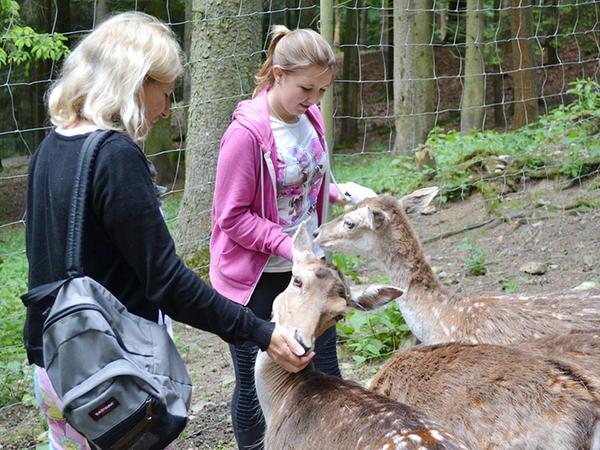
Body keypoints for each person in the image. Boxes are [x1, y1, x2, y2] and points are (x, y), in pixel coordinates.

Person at [23, 12, 311, 450]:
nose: (166, 109)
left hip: (57, 362)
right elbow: (168, 283)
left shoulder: (52, 147)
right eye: (166, 92)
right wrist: (260, 331)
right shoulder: (115, 155)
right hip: (112, 371)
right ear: (135, 82)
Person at [210, 25, 347, 450]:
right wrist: (291, 247)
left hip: (308, 272)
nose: (314, 100)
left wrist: (342, 195)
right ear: (278, 73)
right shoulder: (246, 136)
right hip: (257, 278)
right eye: (307, 88)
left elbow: (309, 180)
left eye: (323, 90)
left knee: (323, 371)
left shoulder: (311, 117)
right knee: (259, 385)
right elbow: (231, 217)